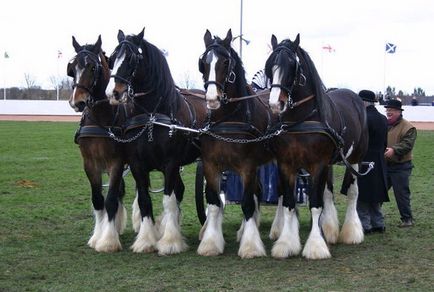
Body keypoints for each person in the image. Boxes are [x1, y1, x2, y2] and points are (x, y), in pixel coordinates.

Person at [357, 90, 389, 234]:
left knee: (362, 195)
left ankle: (365, 225)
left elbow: (359, 141)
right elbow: (384, 143)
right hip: (379, 159)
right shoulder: (383, 118)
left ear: (363, 102)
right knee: (375, 195)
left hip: (364, 160)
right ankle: (378, 223)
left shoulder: (363, 118)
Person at [384, 99, 417, 227]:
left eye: (391, 110)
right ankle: (375, 217)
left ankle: (407, 219)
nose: (388, 112)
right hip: (385, 165)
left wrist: (394, 150)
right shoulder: (385, 124)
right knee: (378, 191)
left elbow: (407, 144)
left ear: (398, 111)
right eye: (387, 110)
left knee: (401, 194)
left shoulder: (409, 127)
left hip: (401, 166)